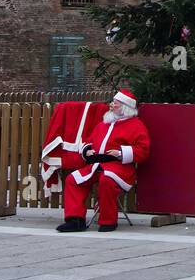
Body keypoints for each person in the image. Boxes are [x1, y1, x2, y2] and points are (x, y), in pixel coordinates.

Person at [56, 88, 150, 232]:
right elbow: (88, 142)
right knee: (72, 180)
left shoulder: (137, 126)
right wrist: (87, 150)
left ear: (125, 107)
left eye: (115, 103)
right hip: (96, 164)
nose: (111, 105)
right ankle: (75, 220)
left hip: (120, 167)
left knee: (107, 180)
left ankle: (108, 221)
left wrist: (120, 153)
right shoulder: (103, 124)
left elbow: (143, 150)